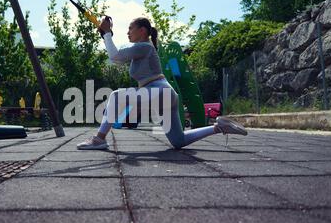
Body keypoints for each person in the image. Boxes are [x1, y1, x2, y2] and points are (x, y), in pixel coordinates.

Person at [77, 17, 247, 150]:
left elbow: (115, 56)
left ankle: (99, 139)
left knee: (115, 96)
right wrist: (107, 34)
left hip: (159, 92)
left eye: (130, 28)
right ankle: (218, 127)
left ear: (142, 30)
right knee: (178, 141)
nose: (128, 32)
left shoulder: (144, 46)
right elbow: (117, 59)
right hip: (165, 94)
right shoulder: (144, 48)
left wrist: (107, 33)